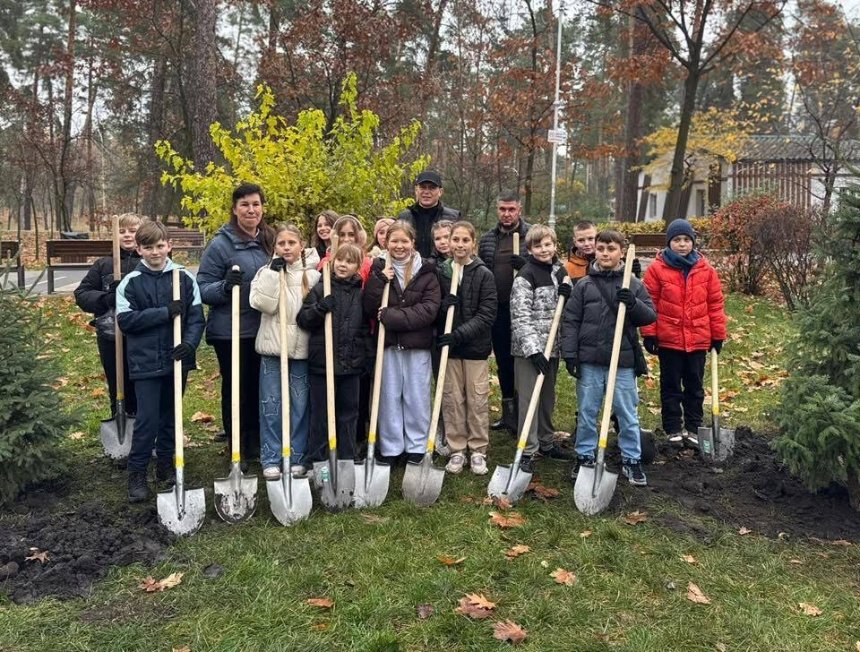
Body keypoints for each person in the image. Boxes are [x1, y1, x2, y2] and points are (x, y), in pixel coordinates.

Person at [116, 220, 204, 502]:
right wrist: (164, 312)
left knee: (171, 416)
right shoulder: (131, 283)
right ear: (139, 249)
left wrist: (189, 345)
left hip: (176, 359)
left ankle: (166, 464)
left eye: (160, 246)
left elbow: (196, 318)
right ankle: (137, 473)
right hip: (145, 364)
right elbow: (126, 320)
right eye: (148, 247)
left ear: (169, 245)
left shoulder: (183, 278)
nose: (155, 252)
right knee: (147, 420)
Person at [561, 229, 656, 486]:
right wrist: (570, 354)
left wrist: (633, 303)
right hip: (590, 360)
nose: (605, 254)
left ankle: (631, 458)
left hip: (622, 362)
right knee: (588, 411)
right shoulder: (584, 285)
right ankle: (584, 455)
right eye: (601, 249)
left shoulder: (633, 284)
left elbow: (650, 316)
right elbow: (570, 321)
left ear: (621, 252)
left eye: (611, 249)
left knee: (626, 412)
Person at [196, 183, 274, 466]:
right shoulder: (221, 244)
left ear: (262, 207)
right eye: (245, 205)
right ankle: (237, 444)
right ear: (234, 209)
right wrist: (225, 287)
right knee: (236, 389)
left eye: (255, 204)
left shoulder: (269, 239)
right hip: (230, 331)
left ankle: (255, 442)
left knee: (258, 388)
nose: (251, 210)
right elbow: (202, 288)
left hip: (262, 328)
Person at [641, 219, 727, 447]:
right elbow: (650, 303)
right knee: (670, 386)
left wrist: (718, 335)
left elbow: (715, 304)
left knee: (695, 387)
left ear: (693, 243)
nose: (682, 244)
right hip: (669, 341)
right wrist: (649, 333)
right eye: (677, 240)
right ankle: (673, 428)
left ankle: (694, 427)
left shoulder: (705, 270)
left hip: (698, 340)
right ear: (669, 243)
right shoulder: (657, 270)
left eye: (686, 240)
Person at [363, 220, 441, 464]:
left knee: (416, 396)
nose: (399, 245)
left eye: (404, 241)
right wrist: (378, 281)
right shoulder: (379, 268)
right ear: (385, 242)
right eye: (394, 240)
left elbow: (428, 311)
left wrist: (390, 316)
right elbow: (368, 306)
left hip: (417, 346)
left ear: (412, 243)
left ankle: (417, 445)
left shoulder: (426, 271)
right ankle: (391, 447)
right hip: (388, 346)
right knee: (388, 396)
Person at [249, 223, 320, 481]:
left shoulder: (313, 275)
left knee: (300, 407)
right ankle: (271, 457)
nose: (287, 247)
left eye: (292, 243)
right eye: (282, 243)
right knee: (271, 405)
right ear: (275, 247)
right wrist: (271, 274)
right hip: (272, 349)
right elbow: (263, 304)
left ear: (301, 245)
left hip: (300, 350)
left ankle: (297, 457)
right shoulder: (265, 271)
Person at [297, 244, 371, 469]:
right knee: (320, 413)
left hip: (351, 365)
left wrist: (366, 358)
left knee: (349, 412)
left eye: (349, 261)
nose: (342, 265)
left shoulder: (361, 293)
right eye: (339, 260)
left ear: (358, 267)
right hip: (323, 364)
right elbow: (303, 319)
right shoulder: (321, 289)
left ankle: (347, 456)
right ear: (331, 261)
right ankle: (317, 458)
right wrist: (320, 309)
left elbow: (364, 330)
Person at [509, 224, 573, 472]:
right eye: (538, 245)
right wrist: (533, 350)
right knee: (529, 399)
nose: (544, 249)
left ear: (554, 245)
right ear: (530, 249)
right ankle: (527, 447)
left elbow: (569, 308)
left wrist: (569, 291)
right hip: (530, 350)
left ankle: (547, 442)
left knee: (547, 397)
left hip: (552, 347)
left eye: (548, 244)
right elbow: (520, 316)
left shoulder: (560, 271)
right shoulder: (526, 275)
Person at [438, 221, 497, 475]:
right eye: (455, 240)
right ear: (449, 242)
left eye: (465, 240)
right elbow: (434, 308)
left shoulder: (483, 273)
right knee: (452, 399)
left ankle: (478, 449)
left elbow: (487, 314)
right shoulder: (443, 272)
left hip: (474, 348)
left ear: (473, 243)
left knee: (476, 399)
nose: (460, 245)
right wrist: (443, 307)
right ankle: (457, 448)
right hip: (449, 351)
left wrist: (458, 335)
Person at [74, 213, 142, 419]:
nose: (127, 236)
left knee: (140, 381)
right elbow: (82, 293)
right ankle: (119, 414)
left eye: (132, 231)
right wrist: (106, 299)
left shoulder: (149, 261)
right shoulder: (104, 265)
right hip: (110, 333)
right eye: (121, 232)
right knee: (116, 379)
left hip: (142, 334)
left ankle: (143, 423)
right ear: (113, 235)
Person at [478, 190, 531, 434]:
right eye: (502, 209)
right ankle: (508, 412)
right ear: (497, 210)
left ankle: (525, 412)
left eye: (511, 209)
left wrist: (526, 265)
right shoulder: (488, 239)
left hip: (523, 310)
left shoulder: (530, 236)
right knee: (503, 361)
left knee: (523, 361)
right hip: (498, 310)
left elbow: (547, 264)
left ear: (519, 209)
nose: (507, 214)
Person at [396, 170, 460, 258]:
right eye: (423, 187)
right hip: (410, 267)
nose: (426, 191)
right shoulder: (404, 217)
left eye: (432, 188)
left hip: (442, 269)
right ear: (416, 190)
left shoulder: (453, 217)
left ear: (440, 192)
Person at [318, 214, 373, 283]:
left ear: (359, 237)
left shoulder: (367, 264)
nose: (346, 239)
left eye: (351, 235)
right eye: (342, 235)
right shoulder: (325, 261)